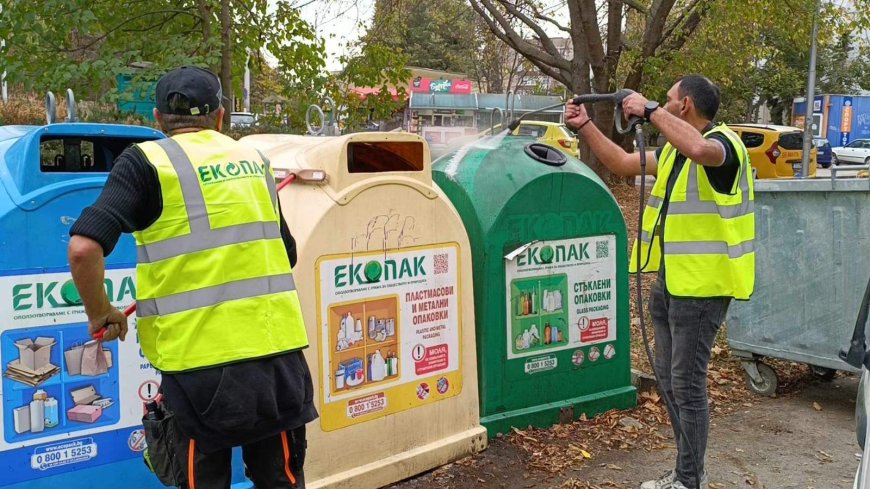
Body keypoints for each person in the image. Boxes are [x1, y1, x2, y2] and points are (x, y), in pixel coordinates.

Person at [68, 66, 317, 488]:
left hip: (198, 372)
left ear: (158, 119)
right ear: (220, 116)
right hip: (277, 361)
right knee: (281, 481)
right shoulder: (255, 162)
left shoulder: (147, 162)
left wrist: (101, 313)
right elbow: (285, 252)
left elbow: (83, 247)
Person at [565, 75, 753, 489]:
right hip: (670, 283)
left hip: (703, 289)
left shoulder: (726, 145)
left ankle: (688, 480)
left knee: (686, 383)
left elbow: (701, 148)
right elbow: (621, 164)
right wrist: (585, 127)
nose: (659, 105)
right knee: (670, 381)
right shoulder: (673, 154)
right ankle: (685, 473)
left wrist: (646, 109)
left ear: (684, 105)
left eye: (666, 101)